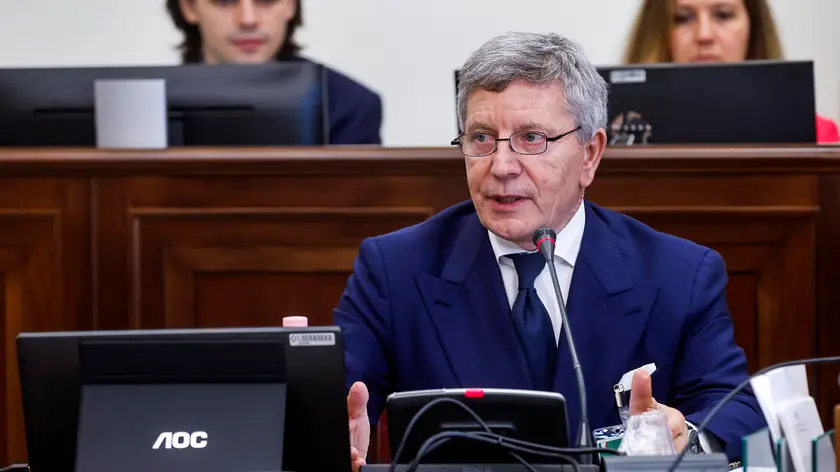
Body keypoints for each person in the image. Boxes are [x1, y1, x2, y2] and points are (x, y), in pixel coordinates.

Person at [336, 31, 765, 470]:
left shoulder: (679, 274)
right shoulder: (395, 269)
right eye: (481, 138)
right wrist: (327, 430)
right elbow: (342, 399)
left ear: (590, 154)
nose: (501, 166)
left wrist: (687, 438)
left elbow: (739, 410)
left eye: (532, 138)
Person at [165, 0, 383, 145]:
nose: (248, 19)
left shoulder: (350, 106)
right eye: (224, 1)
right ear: (188, 7)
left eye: (267, 0)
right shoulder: (151, 106)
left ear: (291, 5)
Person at [623, 0, 840, 143]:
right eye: (683, 18)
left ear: (754, 27)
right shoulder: (616, 138)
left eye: (723, 15)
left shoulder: (818, 135)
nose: (704, 35)